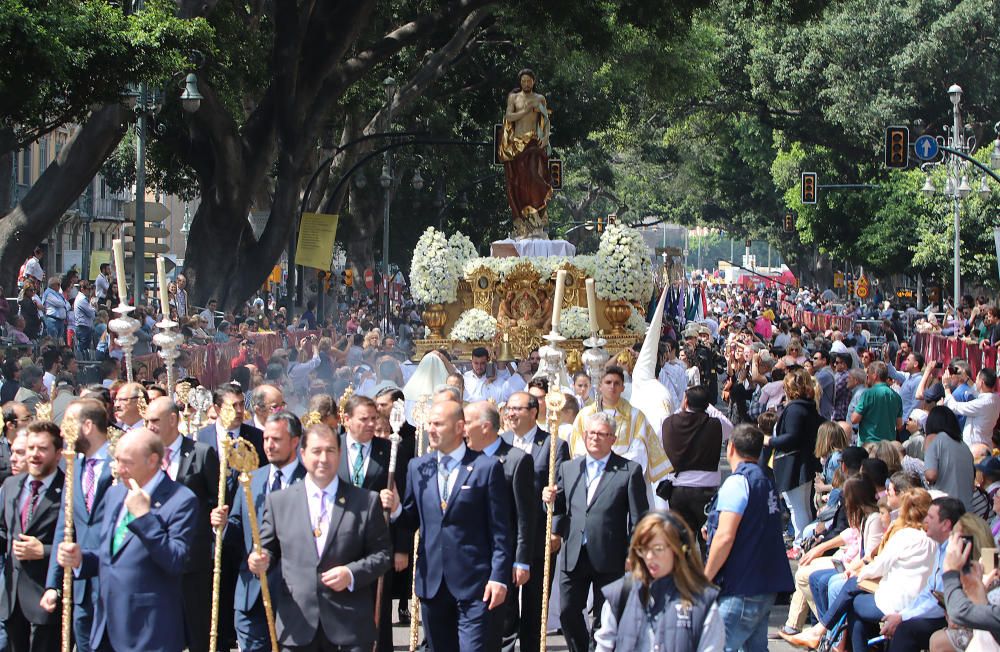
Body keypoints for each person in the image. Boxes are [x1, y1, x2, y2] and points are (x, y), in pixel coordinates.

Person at [381, 400, 512, 651]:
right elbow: (411, 520)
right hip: (432, 583)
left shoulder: (486, 467)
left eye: (439, 424)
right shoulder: (419, 467)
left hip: (475, 584)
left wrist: (499, 578)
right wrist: (397, 508)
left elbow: (500, 531)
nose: (431, 429)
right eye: (430, 423)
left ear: (460, 427)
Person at [249, 422, 391, 650]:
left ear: (340, 453)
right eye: (316, 451)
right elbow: (268, 549)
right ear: (303, 454)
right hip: (297, 624)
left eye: (330, 450)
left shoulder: (365, 501)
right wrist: (259, 560)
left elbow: (383, 555)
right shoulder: (279, 502)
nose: (323, 458)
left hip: (349, 626)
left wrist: (351, 573)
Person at [55, 428, 198, 652]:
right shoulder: (115, 494)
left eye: (127, 463)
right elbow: (111, 555)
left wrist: (144, 518)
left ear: (152, 461)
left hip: (148, 630)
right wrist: (81, 558)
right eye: (117, 460)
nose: (119, 469)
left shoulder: (180, 500)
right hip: (106, 625)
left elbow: (175, 560)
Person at [542, 411, 650, 652]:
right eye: (591, 433)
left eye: (602, 434)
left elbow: (639, 517)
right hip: (573, 553)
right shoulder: (570, 468)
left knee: (605, 618)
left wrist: (635, 552)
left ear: (612, 438)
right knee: (568, 612)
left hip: (610, 555)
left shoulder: (628, 471)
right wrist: (547, 501)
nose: (595, 438)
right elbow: (559, 508)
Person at [211, 411, 305, 652]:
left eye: (276, 439)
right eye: (266, 439)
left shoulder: (311, 482)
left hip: (294, 594)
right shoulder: (251, 479)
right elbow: (236, 529)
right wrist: (220, 526)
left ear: (295, 441)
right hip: (251, 593)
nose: (269, 446)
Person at [704, 424, 794, 651]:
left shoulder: (737, 482)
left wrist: (705, 579)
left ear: (731, 447)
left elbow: (725, 536)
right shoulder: (765, 480)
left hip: (740, 584)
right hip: (764, 583)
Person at [144, 396, 220, 651]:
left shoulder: (201, 453)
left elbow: (217, 499)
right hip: (153, 560)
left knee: (198, 631)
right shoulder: (146, 457)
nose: (149, 427)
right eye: (146, 421)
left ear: (173, 419)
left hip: (192, 561)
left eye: (154, 421)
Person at [337, 395, 411, 652]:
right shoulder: (332, 448)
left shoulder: (390, 451)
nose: (370, 424)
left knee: (377, 614)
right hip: (338, 544)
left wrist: (401, 547)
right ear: (346, 420)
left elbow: (404, 502)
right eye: (363, 419)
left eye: (373, 419)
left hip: (377, 544)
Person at [41, 399, 113, 652]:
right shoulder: (73, 466)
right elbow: (65, 526)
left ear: (88, 426)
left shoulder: (120, 463)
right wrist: (53, 584)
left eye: (69, 423)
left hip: (115, 584)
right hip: (81, 588)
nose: (62, 431)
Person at [595, 511, 725, 652]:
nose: (650, 556)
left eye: (658, 549)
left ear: (679, 550)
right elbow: (604, 646)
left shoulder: (702, 602)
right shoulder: (621, 594)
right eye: (643, 549)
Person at [465, 400, 536, 652]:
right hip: (468, 557)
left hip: (501, 556)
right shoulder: (463, 458)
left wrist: (521, 560)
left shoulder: (516, 460)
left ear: (485, 427)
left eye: (468, 422)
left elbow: (525, 515)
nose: (462, 428)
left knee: (502, 624)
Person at [501, 391, 569, 652]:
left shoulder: (553, 445)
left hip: (539, 532)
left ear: (533, 412)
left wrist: (556, 530)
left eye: (517, 409)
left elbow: (561, 489)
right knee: (505, 602)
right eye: (509, 408)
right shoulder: (501, 442)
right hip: (507, 532)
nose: (511, 414)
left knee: (535, 602)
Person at [0, 421, 64, 652]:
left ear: (58, 454)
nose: (35, 455)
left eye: (42, 449)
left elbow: (79, 541)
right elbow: (3, 530)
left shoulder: (67, 490)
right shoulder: (11, 485)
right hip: (12, 600)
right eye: (31, 448)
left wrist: (44, 551)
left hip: (46, 598)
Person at [569, 367, 671, 489]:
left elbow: (640, 451)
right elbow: (578, 448)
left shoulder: (635, 416)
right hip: (592, 477)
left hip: (624, 479)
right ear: (600, 386)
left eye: (617, 383)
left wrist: (615, 471)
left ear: (623, 387)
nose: (612, 387)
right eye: (608, 382)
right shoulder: (585, 415)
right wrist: (598, 467)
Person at [763, 367, 824, 539]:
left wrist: (770, 440)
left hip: (794, 464)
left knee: (797, 507)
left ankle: (800, 541)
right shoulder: (809, 407)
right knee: (803, 506)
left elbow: (792, 437)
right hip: (803, 462)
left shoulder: (795, 409)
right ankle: (803, 539)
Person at [659, 385, 723, 538]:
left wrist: (680, 409)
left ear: (686, 401)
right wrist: (710, 407)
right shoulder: (715, 424)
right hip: (706, 488)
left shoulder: (669, 423)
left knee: (682, 542)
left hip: (678, 488)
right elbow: (730, 426)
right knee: (707, 539)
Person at [500, 68, 552, 239]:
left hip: (533, 144)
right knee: (518, 182)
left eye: (529, 80)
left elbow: (545, 120)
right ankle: (523, 217)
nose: (526, 84)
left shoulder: (539, 99)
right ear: (520, 82)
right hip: (517, 145)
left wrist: (546, 137)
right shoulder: (514, 98)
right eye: (523, 81)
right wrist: (525, 110)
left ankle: (537, 211)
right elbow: (509, 116)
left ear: (534, 81)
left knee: (534, 175)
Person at [925, 405, 976, 509]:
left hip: (946, 509)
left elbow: (931, 475)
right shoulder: (964, 446)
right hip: (966, 509)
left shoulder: (933, 438)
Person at [943, 367, 1000, 448]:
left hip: (975, 448)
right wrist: (966, 378)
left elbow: (954, 407)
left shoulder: (982, 403)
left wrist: (946, 386)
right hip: (984, 444)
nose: (975, 381)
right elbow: (977, 392)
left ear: (982, 382)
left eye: (976, 379)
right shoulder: (995, 399)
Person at [851, 361, 903, 443]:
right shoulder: (897, 397)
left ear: (874, 375)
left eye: (868, 373)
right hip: (888, 446)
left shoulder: (868, 394)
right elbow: (899, 425)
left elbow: (854, 419)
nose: (867, 376)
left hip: (869, 445)